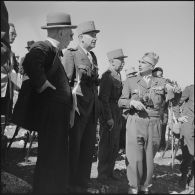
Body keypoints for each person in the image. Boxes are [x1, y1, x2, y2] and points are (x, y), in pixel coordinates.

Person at [21, 12, 77, 193]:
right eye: (70, 33)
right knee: (50, 157)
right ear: (60, 33)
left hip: (57, 115)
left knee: (56, 156)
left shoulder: (54, 52)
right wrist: (43, 85)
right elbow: (30, 61)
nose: (72, 37)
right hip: (51, 115)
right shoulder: (44, 46)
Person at [118, 52, 180, 194]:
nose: (140, 64)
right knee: (134, 156)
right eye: (139, 61)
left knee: (149, 156)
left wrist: (174, 92)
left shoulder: (163, 82)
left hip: (154, 123)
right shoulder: (131, 81)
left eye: (144, 62)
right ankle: (133, 186)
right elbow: (121, 101)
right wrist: (131, 102)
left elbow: (173, 101)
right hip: (135, 121)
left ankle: (145, 186)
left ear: (152, 66)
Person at [61, 20, 100, 193]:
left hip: (91, 111)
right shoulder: (71, 54)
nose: (95, 38)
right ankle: (69, 184)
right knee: (73, 148)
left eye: (96, 36)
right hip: (77, 110)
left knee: (87, 149)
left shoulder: (93, 57)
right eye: (92, 35)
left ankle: (82, 184)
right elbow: (66, 84)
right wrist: (68, 109)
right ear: (80, 37)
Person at [97, 49, 127, 182]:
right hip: (108, 113)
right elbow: (103, 99)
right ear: (111, 61)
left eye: (123, 61)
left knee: (114, 145)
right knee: (106, 145)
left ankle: (110, 172)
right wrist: (108, 118)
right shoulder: (107, 76)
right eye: (120, 60)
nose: (123, 63)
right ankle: (102, 174)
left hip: (117, 113)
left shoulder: (118, 76)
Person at [177, 84, 194, 190]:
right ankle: (183, 176)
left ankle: (193, 178)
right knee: (188, 152)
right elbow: (176, 102)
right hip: (189, 122)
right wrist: (179, 117)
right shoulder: (190, 89)